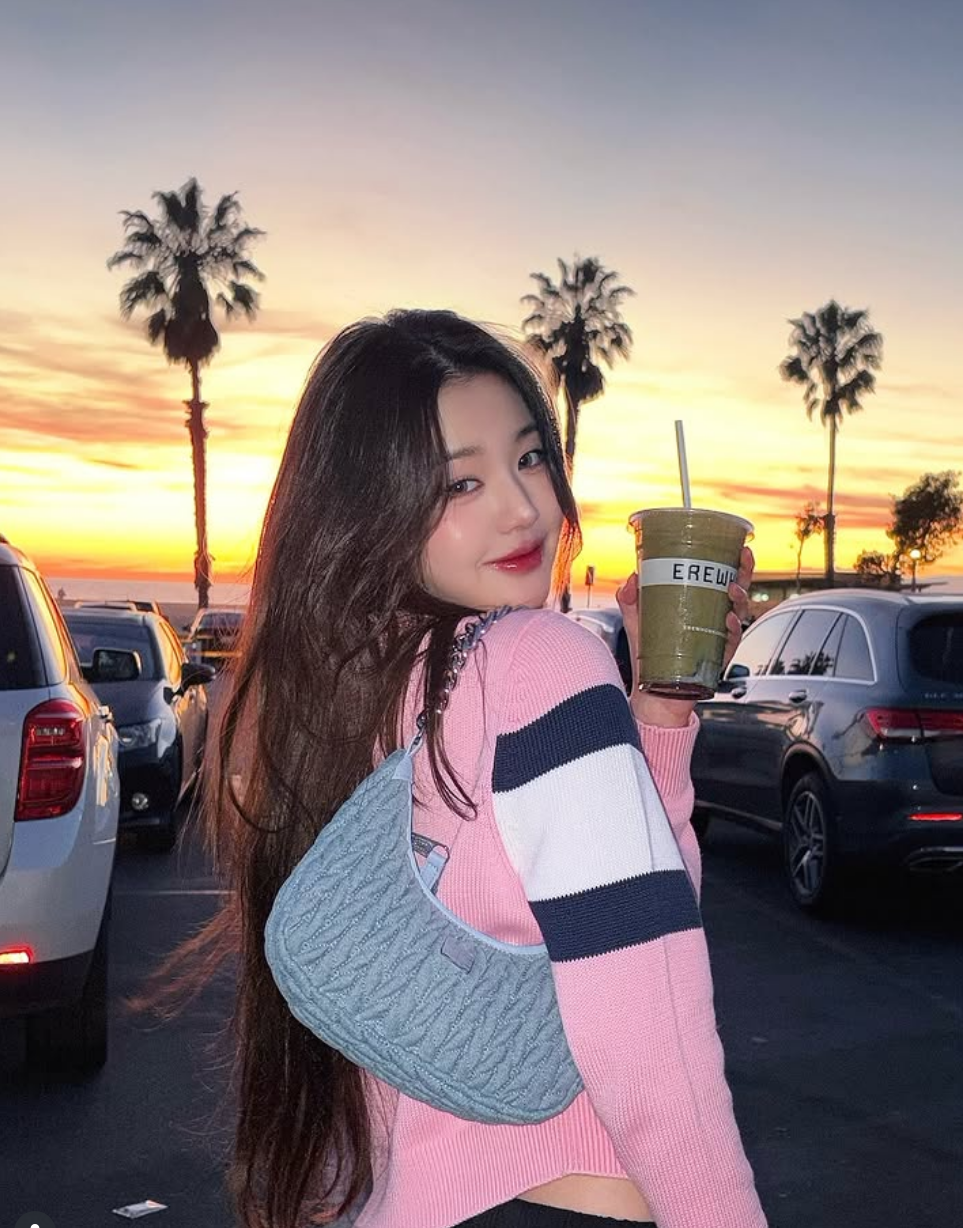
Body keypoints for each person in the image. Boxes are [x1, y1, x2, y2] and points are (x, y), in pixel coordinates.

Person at [172, 310, 768, 1228]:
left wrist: (654, 716)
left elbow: (590, 895)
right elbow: (644, 1006)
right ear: (369, 506)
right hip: (566, 1195)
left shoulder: (334, 694)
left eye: (529, 458)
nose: (523, 508)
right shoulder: (541, 661)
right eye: (461, 482)